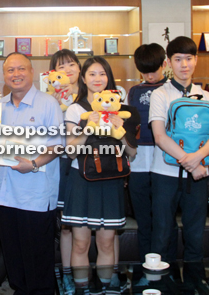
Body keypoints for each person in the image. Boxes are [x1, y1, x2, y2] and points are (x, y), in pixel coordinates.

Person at [61, 56, 137, 292]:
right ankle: (82, 289)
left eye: (102, 74)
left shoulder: (121, 110)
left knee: (106, 243)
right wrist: (87, 127)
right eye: (92, 74)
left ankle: (106, 288)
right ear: (83, 78)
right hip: (81, 180)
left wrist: (120, 129)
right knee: (81, 243)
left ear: (109, 78)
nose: (97, 79)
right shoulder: (76, 109)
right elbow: (71, 151)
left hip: (111, 181)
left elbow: (132, 154)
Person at [0, 52, 63, 294]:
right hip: (5, 195)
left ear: (32, 72)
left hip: (35, 195)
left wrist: (33, 163)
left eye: (21, 69)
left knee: (38, 262)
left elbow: (57, 145)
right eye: (10, 70)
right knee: (14, 259)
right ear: (4, 76)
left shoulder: (48, 103)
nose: (16, 74)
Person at [149, 36, 209, 263]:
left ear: (196, 60)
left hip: (198, 174)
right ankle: (162, 285)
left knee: (195, 234)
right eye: (178, 59)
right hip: (164, 174)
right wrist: (189, 162)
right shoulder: (160, 94)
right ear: (168, 63)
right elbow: (160, 137)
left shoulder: (207, 95)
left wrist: (198, 159)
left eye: (189, 59)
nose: (184, 65)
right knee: (162, 234)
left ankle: (193, 283)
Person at [128, 43, 179, 264]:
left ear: (164, 64)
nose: (150, 75)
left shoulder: (171, 91)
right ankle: (144, 268)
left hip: (165, 161)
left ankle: (168, 266)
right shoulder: (134, 91)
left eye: (154, 69)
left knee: (166, 218)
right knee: (143, 219)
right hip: (139, 160)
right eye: (144, 71)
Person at [48, 49, 81, 294]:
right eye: (61, 66)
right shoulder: (50, 97)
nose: (67, 69)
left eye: (71, 64)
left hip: (89, 165)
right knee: (66, 224)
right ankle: (65, 274)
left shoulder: (91, 95)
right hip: (60, 162)